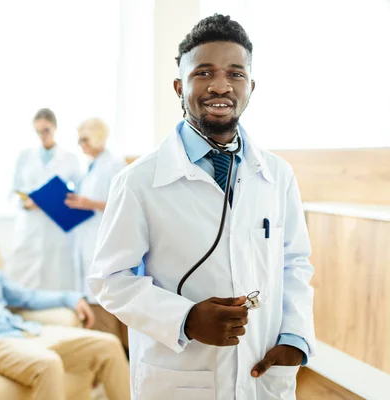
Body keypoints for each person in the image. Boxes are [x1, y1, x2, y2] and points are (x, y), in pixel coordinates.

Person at [87, 14, 315, 400]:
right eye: (204, 73)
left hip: (263, 368)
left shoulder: (277, 174)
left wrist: (295, 335)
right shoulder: (138, 181)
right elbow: (109, 279)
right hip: (181, 376)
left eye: (235, 74)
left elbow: (294, 264)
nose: (220, 85)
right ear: (180, 86)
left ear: (251, 86)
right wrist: (186, 319)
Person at [0, 217, 131, 400]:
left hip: (27, 331)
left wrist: (71, 298)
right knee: (48, 364)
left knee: (109, 344)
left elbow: (27, 297)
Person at [64, 117, 127, 349]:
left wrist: (87, 202)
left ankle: (113, 360)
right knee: (92, 296)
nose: (80, 145)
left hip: (103, 240)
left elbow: (122, 204)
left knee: (103, 299)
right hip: (87, 238)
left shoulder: (113, 164)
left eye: (84, 139)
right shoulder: (92, 165)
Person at [6, 108, 82, 291]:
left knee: (57, 277)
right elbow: (13, 192)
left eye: (46, 130)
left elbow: (78, 194)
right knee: (22, 277)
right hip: (30, 224)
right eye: (38, 131)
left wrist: (60, 200)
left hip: (57, 227)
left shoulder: (70, 158)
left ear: (55, 128)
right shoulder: (24, 156)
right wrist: (25, 203)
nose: (42, 135)